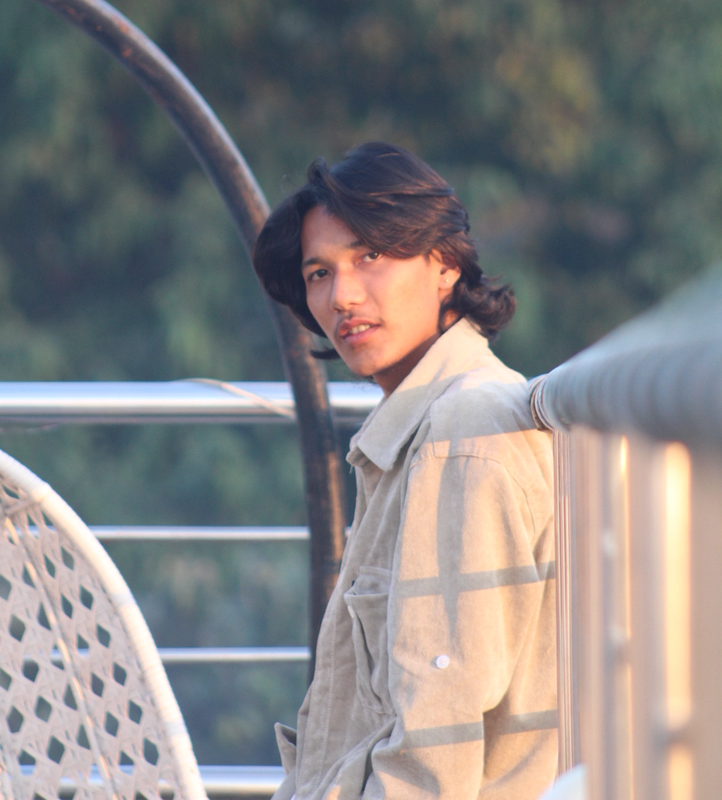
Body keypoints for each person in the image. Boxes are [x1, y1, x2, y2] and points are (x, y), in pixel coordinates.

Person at [253, 142, 557, 800]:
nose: (342, 296)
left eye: (370, 257)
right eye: (319, 273)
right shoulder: (423, 429)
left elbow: (433, 753)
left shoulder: (465, 429)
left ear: (444, 264)